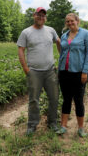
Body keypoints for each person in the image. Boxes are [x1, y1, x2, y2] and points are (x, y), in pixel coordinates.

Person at [17, 7, 61, 135]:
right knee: (33, 100)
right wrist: (26, 68)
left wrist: (61, 60)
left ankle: (52, 123)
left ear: (45, 18)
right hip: (34, 72)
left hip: (50, 71)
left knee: (54, 98)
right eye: (39, 15)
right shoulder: (26, 32)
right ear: (34, 16)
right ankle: (32, 125)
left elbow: (58, 41)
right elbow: (21, 50)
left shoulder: (50, 30)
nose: (41, 17)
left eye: (43, 16)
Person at [56, 13, 88, 137]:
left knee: (78, 100)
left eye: (72, 21)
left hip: (78, 73)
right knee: (66, 99)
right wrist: (59, 70)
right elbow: (62, 53)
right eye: (67, 21)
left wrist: (85, 72)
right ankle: (63, 126)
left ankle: (81, 128)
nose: (70, 23)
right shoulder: (64, 36)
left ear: (78, 21)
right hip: (64, 72)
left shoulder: (85, 34)